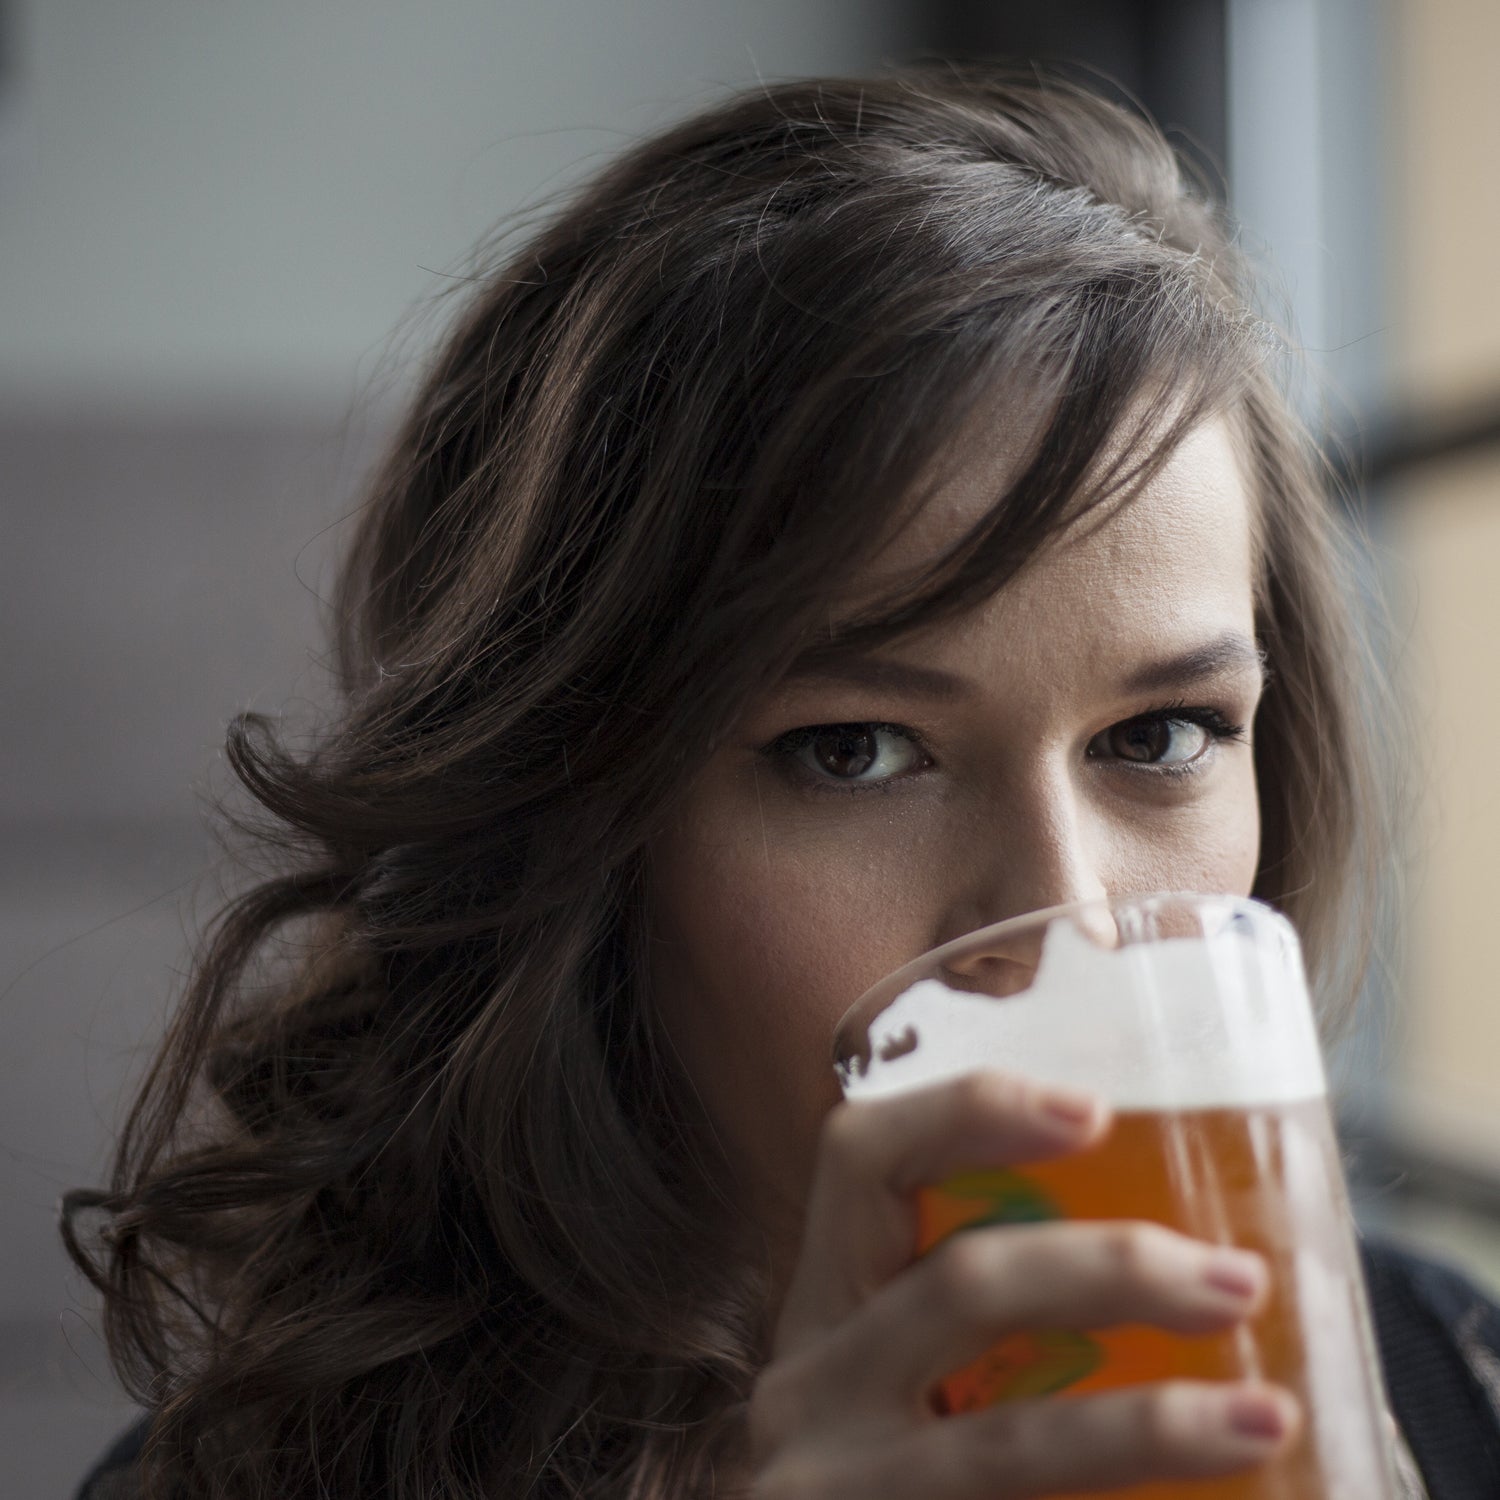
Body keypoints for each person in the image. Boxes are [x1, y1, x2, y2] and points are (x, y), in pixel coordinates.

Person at [65, 66, 1500, 1499]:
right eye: (854, 753)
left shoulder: (1445, 1384)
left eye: (1161, 738)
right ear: (575, 818)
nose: (1066, 918)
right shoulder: (243, 1475)